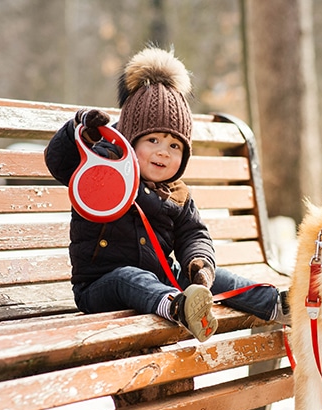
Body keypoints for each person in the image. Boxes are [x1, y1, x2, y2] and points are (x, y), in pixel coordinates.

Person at [44, 47, 288, 342]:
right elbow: (61, 164)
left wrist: (199, 265)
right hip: (100, 286)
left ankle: (277, 303)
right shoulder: (104, 168)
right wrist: (78, 131)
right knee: (130, 278)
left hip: (161, 277)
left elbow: (193, 234)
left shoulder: (176, 193)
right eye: (153, 140)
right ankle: (179, 308)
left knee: (211, 277)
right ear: (131, 140)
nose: (163, 151)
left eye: (175, 146)